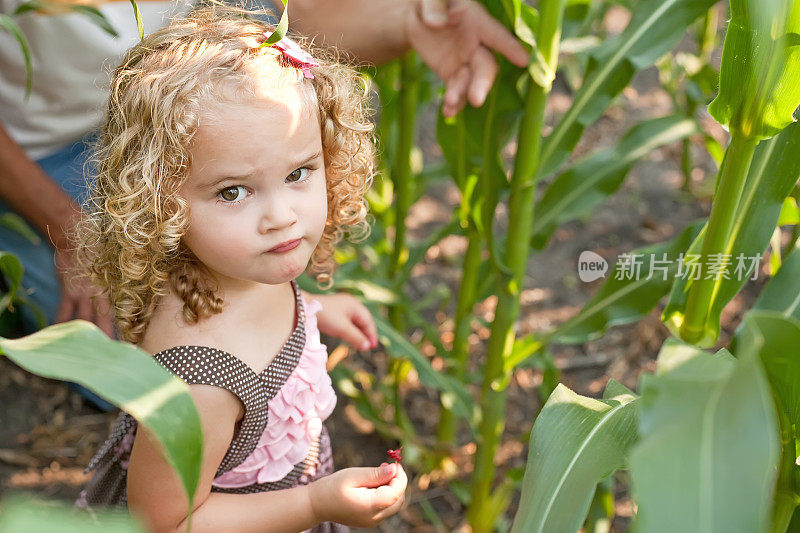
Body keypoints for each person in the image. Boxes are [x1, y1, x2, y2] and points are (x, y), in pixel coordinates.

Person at [74, 6, 408, 530]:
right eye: (233, 191)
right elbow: (165, 522)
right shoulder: (199, 380)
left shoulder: (239, 263)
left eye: (299, 172)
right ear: (162, 204)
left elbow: (261, 312)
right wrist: (314, 505)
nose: (281, 217)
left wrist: (315, 312)